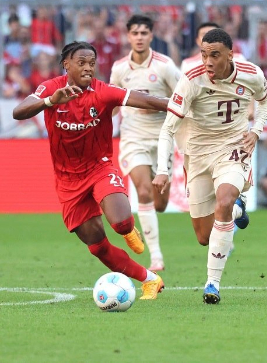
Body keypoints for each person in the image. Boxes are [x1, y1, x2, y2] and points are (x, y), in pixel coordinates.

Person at [12, 42, 167, 299]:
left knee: (121, 222)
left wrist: (176, 104)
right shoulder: (51, 88)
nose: (88, 68)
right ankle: (150, 279)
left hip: (99, 167)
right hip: (67, 180)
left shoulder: (103, 91)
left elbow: (144, 99)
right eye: (81, 62)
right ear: (67, 64)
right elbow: (19, 112)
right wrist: (51, 100)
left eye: (92, 63)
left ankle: (128, 229)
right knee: (97, 247)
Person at [153, 28, 267, 304]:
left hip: (233, 146)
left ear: (230, 54)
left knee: (225, 199)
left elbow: (266, 102)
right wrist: (163, 169)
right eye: (204, 55)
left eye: (214, 55)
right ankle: (238, 210)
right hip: (198, 154)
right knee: (204, 237)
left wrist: (256, 131)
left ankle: (212, 284)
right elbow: (168, 129)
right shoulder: (191, 80)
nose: (207, 61)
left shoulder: (251, 73)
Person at [110, 15, 181, 272]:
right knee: (142, 191)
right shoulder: (119, 69)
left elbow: (183, 95)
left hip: (162, 138)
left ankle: (150, 224)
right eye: (135, 33)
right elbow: (113, 103)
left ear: (151, 36)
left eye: (144, 33)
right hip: (133, 137)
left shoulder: (164, 66)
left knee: (159, 203)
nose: (139, 37)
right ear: (128, 36)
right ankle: (157, 257)